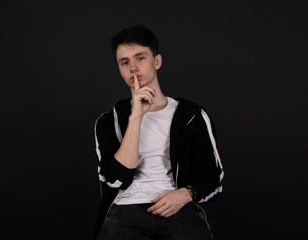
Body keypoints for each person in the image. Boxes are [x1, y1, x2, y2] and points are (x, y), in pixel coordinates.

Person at [93, 25, 224, 240]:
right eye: (124, 62)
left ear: (157, 62)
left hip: (177, 206)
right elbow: (115, 179)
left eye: (140, 58)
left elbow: (214, 178)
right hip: (126, 209)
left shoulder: (192, 115)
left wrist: (184, 194)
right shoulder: (108, 122)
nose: (133, 68)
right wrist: (136, 117)